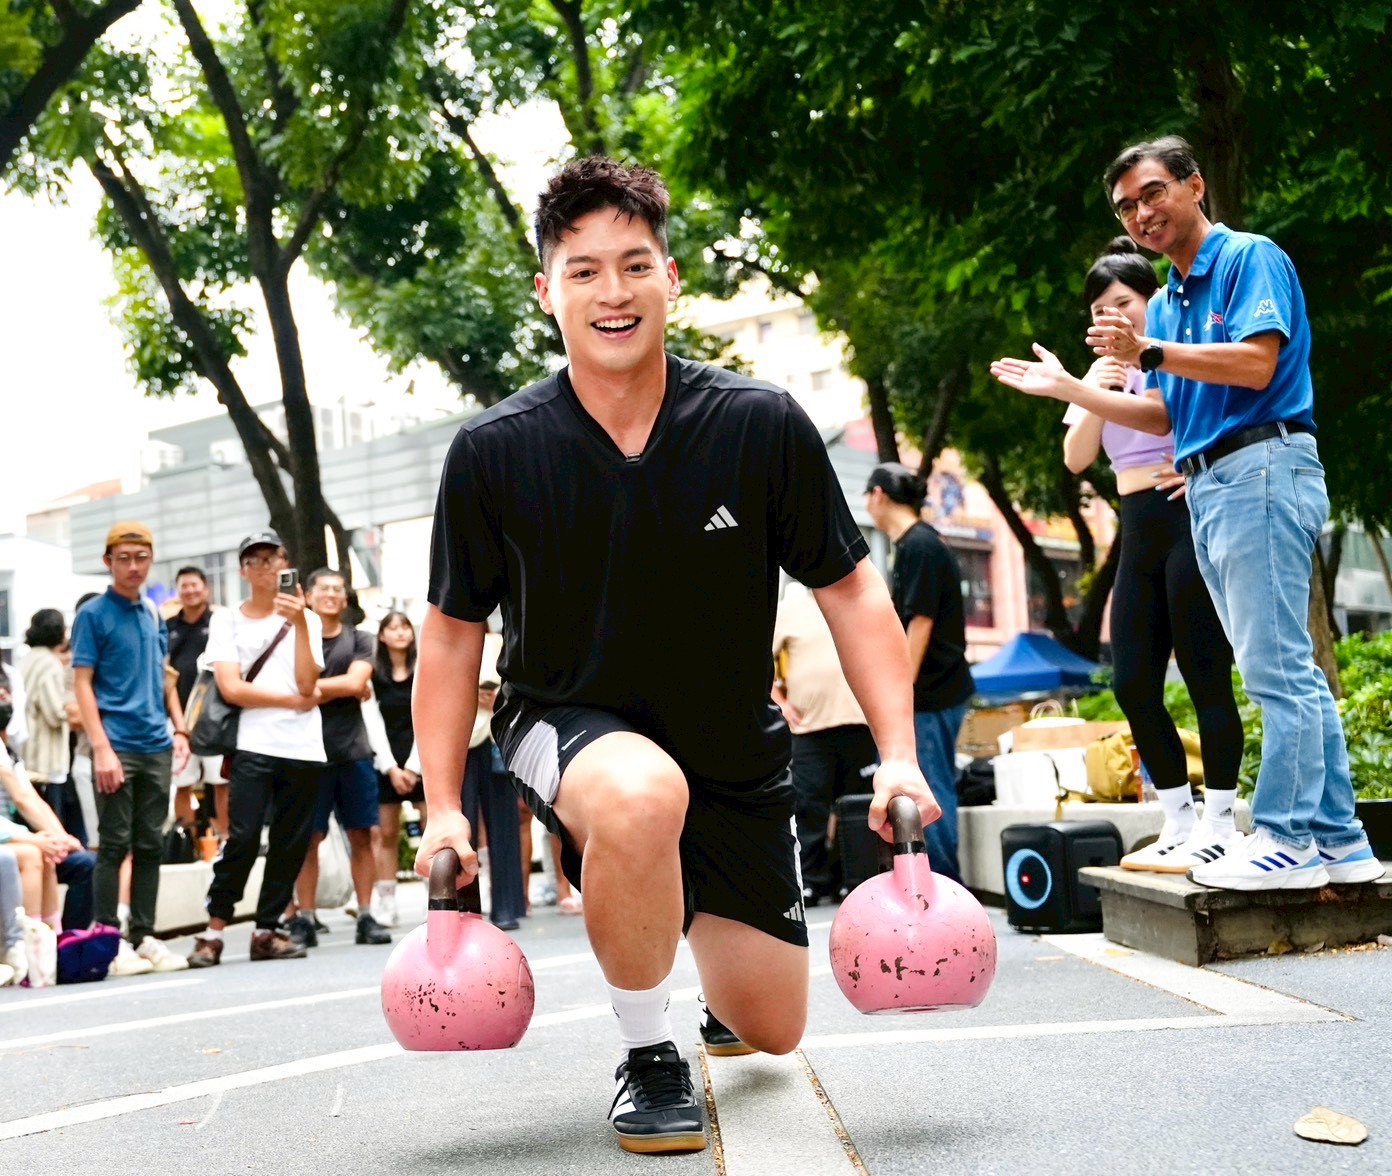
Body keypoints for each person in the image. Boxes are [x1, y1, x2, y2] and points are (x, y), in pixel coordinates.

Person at [412, 156, 938, 1156]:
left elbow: (852, 589)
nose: (612, 292)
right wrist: (443, 804)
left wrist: (899, 751)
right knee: (641, 797)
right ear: (546, 291)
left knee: (773, 1027)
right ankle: (647, 1050)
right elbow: (449, 632)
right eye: (583, 270)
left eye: (634, 263)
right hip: (562, 721)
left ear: (672, 278)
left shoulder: (758, 425)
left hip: (730, 748)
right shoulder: (495, 449)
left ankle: (667, 904)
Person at [990, 135, 1380, 891]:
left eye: (1153, 193)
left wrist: (1151, 353)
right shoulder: (1167, 301)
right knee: (1283, 669)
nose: (1142, 212)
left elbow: (1257, 362)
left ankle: (1287, 836)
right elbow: (1164, 417)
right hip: (1210, 483)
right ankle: (1340, 838)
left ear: (1195, 185)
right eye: (1127, 206)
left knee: (1273, 671)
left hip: (1261, 463)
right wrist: (1070, 389)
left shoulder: (1247, 259)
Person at [995, 239, 1246, 872]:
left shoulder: (1170, 348)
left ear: (1152, 298)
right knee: (1134, 682)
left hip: (1187, 518)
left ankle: (1220, 819)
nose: (1116, 317)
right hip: (1136, 527)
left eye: (1125, 303)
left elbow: (1163, 417)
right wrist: (1084, 390)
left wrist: (1087, 392)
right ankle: (1178, 820)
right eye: (1102, 309)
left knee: (1203, 672)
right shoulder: (1100, 375)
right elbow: (1076, 459)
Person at [187, 531, 325, 967]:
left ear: (286, 563)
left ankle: (268, 929)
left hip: (303, 746)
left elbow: (308, 682)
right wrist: (292, 702)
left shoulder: (309, 619)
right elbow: (231, 687)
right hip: (252, 744)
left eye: (272, 558)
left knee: (290, 842)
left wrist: (300, 620)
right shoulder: (228, 619)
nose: (264, 567)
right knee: (242, 838)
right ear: (243, 570)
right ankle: (214, 930)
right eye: (255, 560)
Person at [70, 522, 190, 974]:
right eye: (124, 558)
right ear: (108, 561)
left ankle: (143, 935)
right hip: (115, 745)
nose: (134, 567)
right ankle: (108, 937)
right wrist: (101, 747)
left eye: (142, 558)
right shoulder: (93, 615)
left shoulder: (153, 614)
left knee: (151, 843)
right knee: (115, 843)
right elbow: (81, 683)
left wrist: (179, 730)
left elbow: (164, 678)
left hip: (156, 743)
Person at [863, 463, 975, 885]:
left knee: (930, 788)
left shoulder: (920, 546)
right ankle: (933, 880)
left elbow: (921, 622)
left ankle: (941, 882)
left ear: (878, 495)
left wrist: (897, 692)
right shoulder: (915, 544)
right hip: (936, 689)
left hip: (932, 691)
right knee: (930, 784)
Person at [286, 569, 392, 948]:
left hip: (352, 751)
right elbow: (346, 686)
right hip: (306, 753)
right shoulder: (295, 638)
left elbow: (354, 682)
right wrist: (343, 687)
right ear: (308, 596)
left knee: (362, 835)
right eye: (323, 589)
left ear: (345, 599)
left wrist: (308, 689)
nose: (331, 594)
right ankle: (306, 920)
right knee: (307, 839)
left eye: (337, 589)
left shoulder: (360, 639)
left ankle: (366, 915)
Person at [771, 581, 879, 904]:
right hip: (809, 730)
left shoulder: (857, 599)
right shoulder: (789, 610)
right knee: (808, 807)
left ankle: (858, 879)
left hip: (859, 726)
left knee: (859, 808)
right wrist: (781, 703)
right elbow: (759, 658)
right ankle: (813, 882)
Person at [365, 610, 421, 928]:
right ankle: (386, 902)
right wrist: (390, 767)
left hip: (421, 759)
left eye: (404, 627)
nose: (400, 633)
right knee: (384, 833)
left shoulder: (423, 670)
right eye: (392, 628)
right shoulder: (373, 674)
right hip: (385, 761)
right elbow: (371, 721)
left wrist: (413, 767)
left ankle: (437, 899)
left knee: (433, 828)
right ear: (382, 635)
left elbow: (429, 717)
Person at [167, 566, 228, 840]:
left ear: (206, 589)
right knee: (183, 782)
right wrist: (179, 724)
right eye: (184, 586)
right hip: (179, 720)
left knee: (221, 782)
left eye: (195, 585)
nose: (190, 590)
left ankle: (226, 838)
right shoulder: (168, 628)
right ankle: (187, 842)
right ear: (178, 591)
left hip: (216, 718)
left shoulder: (221, 623)